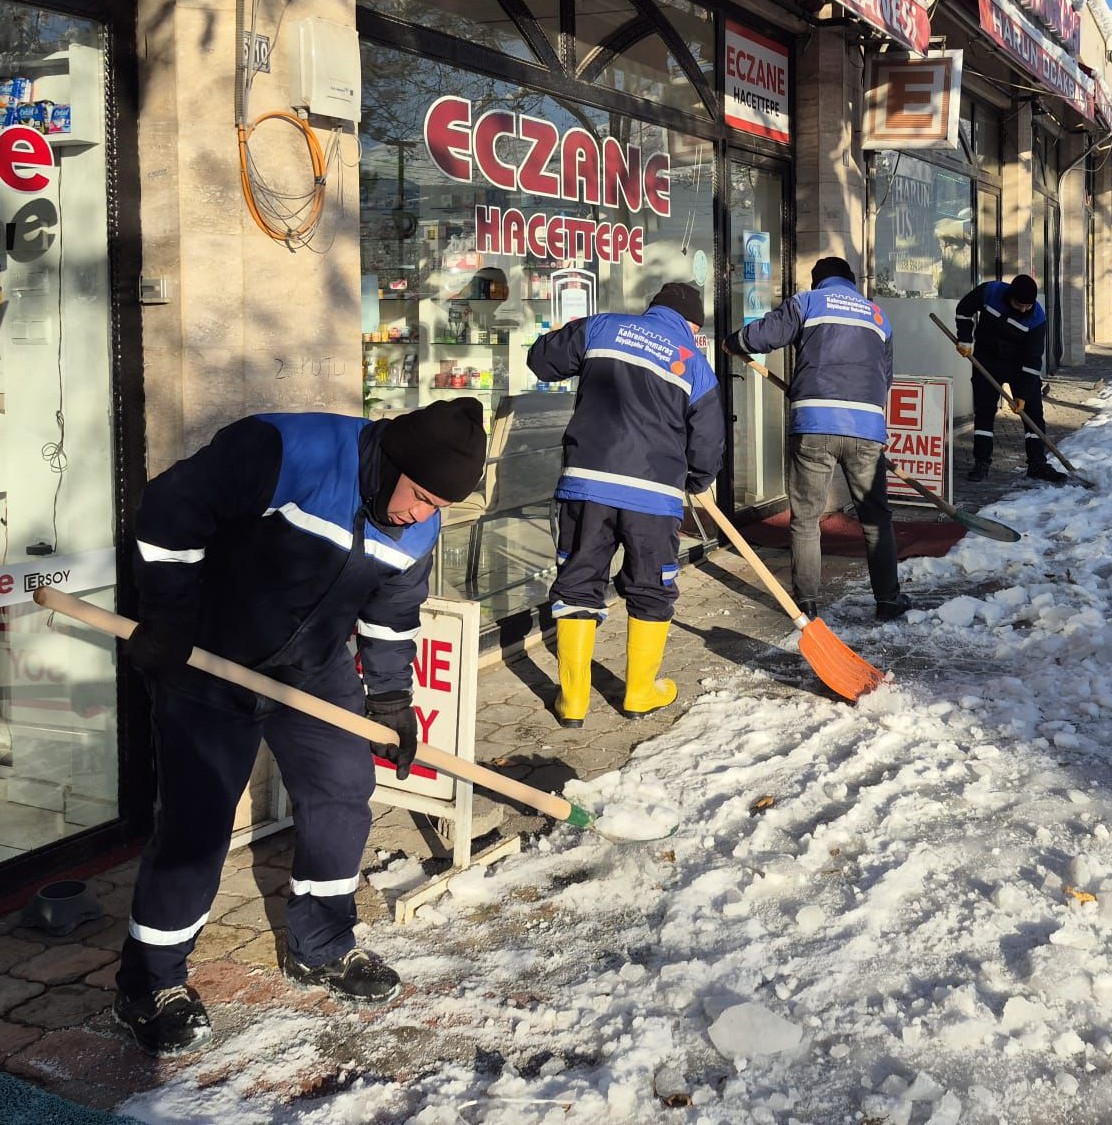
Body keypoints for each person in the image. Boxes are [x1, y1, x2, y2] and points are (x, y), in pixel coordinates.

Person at [115, 398, 488, 1053]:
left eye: (437, 507)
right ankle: (149, 983)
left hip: (313, 667)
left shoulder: (419, 526)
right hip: (208, 655)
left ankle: (322, 945)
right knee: (198, 822)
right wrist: (168, 615)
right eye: (421, 496)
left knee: (342, 787)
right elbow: (172, 507)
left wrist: (391, 698)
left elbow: (392, 614)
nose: (420, 515)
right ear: (393, 461)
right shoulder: (291, 449)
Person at [527, 282, 724, 728]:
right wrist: (696, 480)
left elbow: (541, 360)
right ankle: (639, 692)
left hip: (587, 484)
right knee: (651, 587)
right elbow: (709, 441)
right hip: (654, 496)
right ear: (692, 325)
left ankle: (572, 701)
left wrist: (561, 336)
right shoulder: (695, 364)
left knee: (578, 582)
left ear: (653, 309)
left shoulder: (602, 328)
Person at [726, 256, 911, 621]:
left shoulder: (808, 302)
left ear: (817, 281)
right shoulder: (878, 316)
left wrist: (735, 341)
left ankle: (807, 604)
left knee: (807, 518)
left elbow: (763, 336)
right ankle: (888, 600)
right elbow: (885, 378)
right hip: (866, 428)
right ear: (851, 281)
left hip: (814, 421)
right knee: (876, 518)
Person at [954, 271, 1061, 483]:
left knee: (1033, 412)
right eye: (1018, 304)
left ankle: (1037, 464)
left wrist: (1024, 394)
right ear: (1010, 296)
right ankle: (981, 462)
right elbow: (964, 310)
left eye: (1027, 306)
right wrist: (965, 338)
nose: (1023, 310)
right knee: (984, 411)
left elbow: (1033, 359)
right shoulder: (990, 292)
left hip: (1019, 365)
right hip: (987, 360)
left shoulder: (1037, 318)